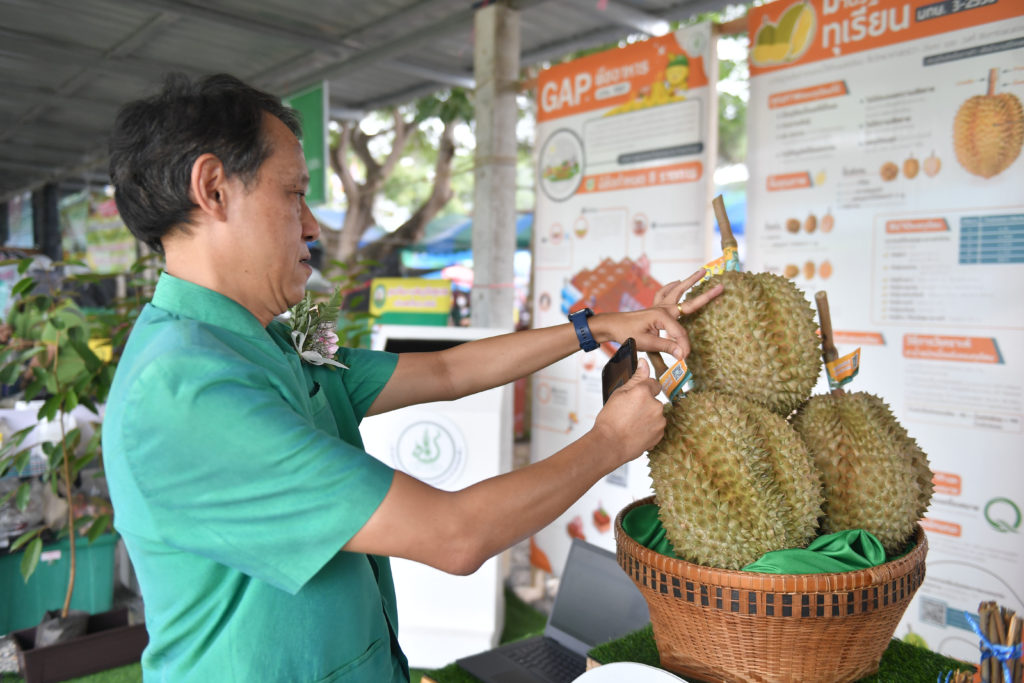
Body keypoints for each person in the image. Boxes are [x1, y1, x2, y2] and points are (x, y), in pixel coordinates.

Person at [102, 73, 722, 682]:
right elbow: (455, 535)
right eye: (294, 194)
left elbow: (447, 370)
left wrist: (598, 328)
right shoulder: (186, 391)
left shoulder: (260, 343)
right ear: (212, 188)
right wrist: (612, 441)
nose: (313, 225)